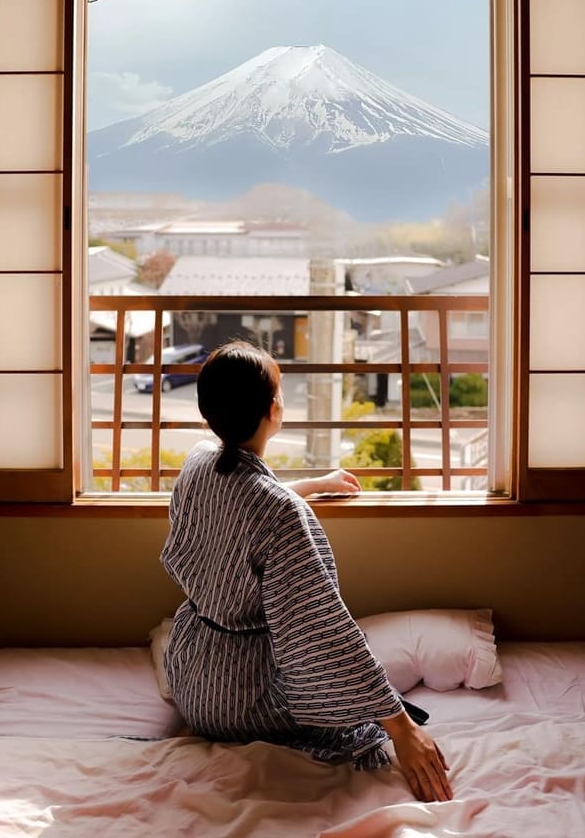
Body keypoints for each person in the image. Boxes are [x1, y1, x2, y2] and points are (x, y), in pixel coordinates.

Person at [160, 340, 452, 803]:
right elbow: (323, 629)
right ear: (274, 410)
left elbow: (243, 507)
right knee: (348, 695)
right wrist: (399, 725)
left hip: (193, 675)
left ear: (209, 411)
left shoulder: (198, 462)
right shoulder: (279, 512)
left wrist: (312, 487)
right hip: (244, 698)